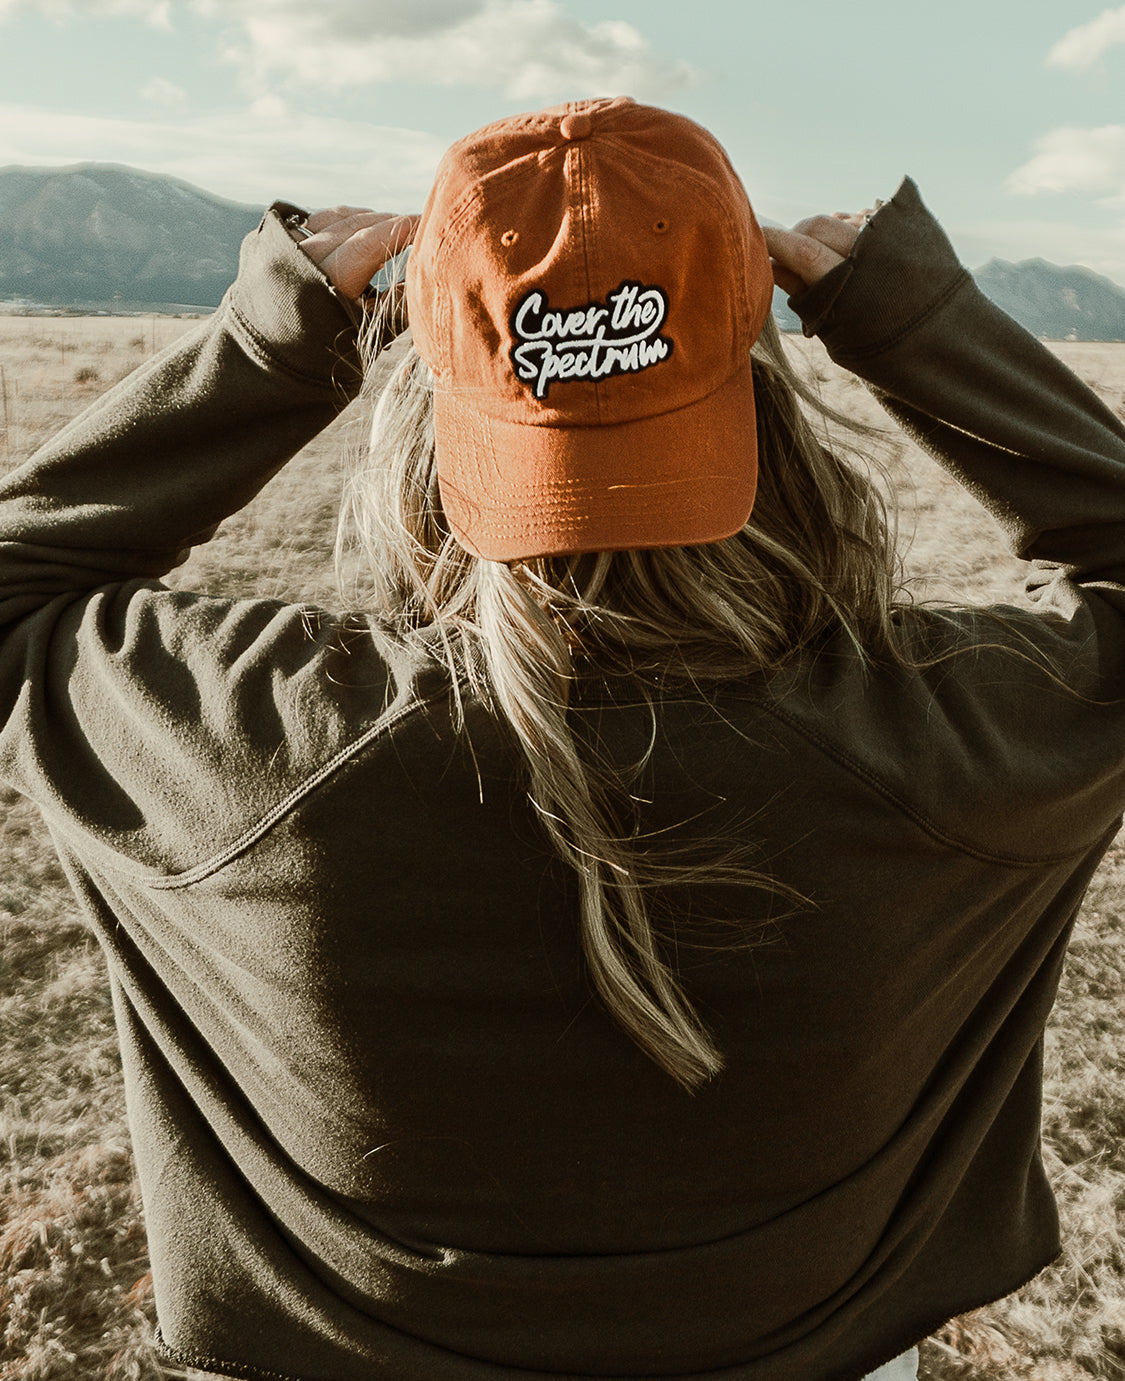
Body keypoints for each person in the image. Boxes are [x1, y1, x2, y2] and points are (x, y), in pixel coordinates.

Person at [0, 95, 1123, 1381]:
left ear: (426, 419)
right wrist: (911, 321)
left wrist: (274, 339)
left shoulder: (263, 745)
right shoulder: (953, 740)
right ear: (770, 418)